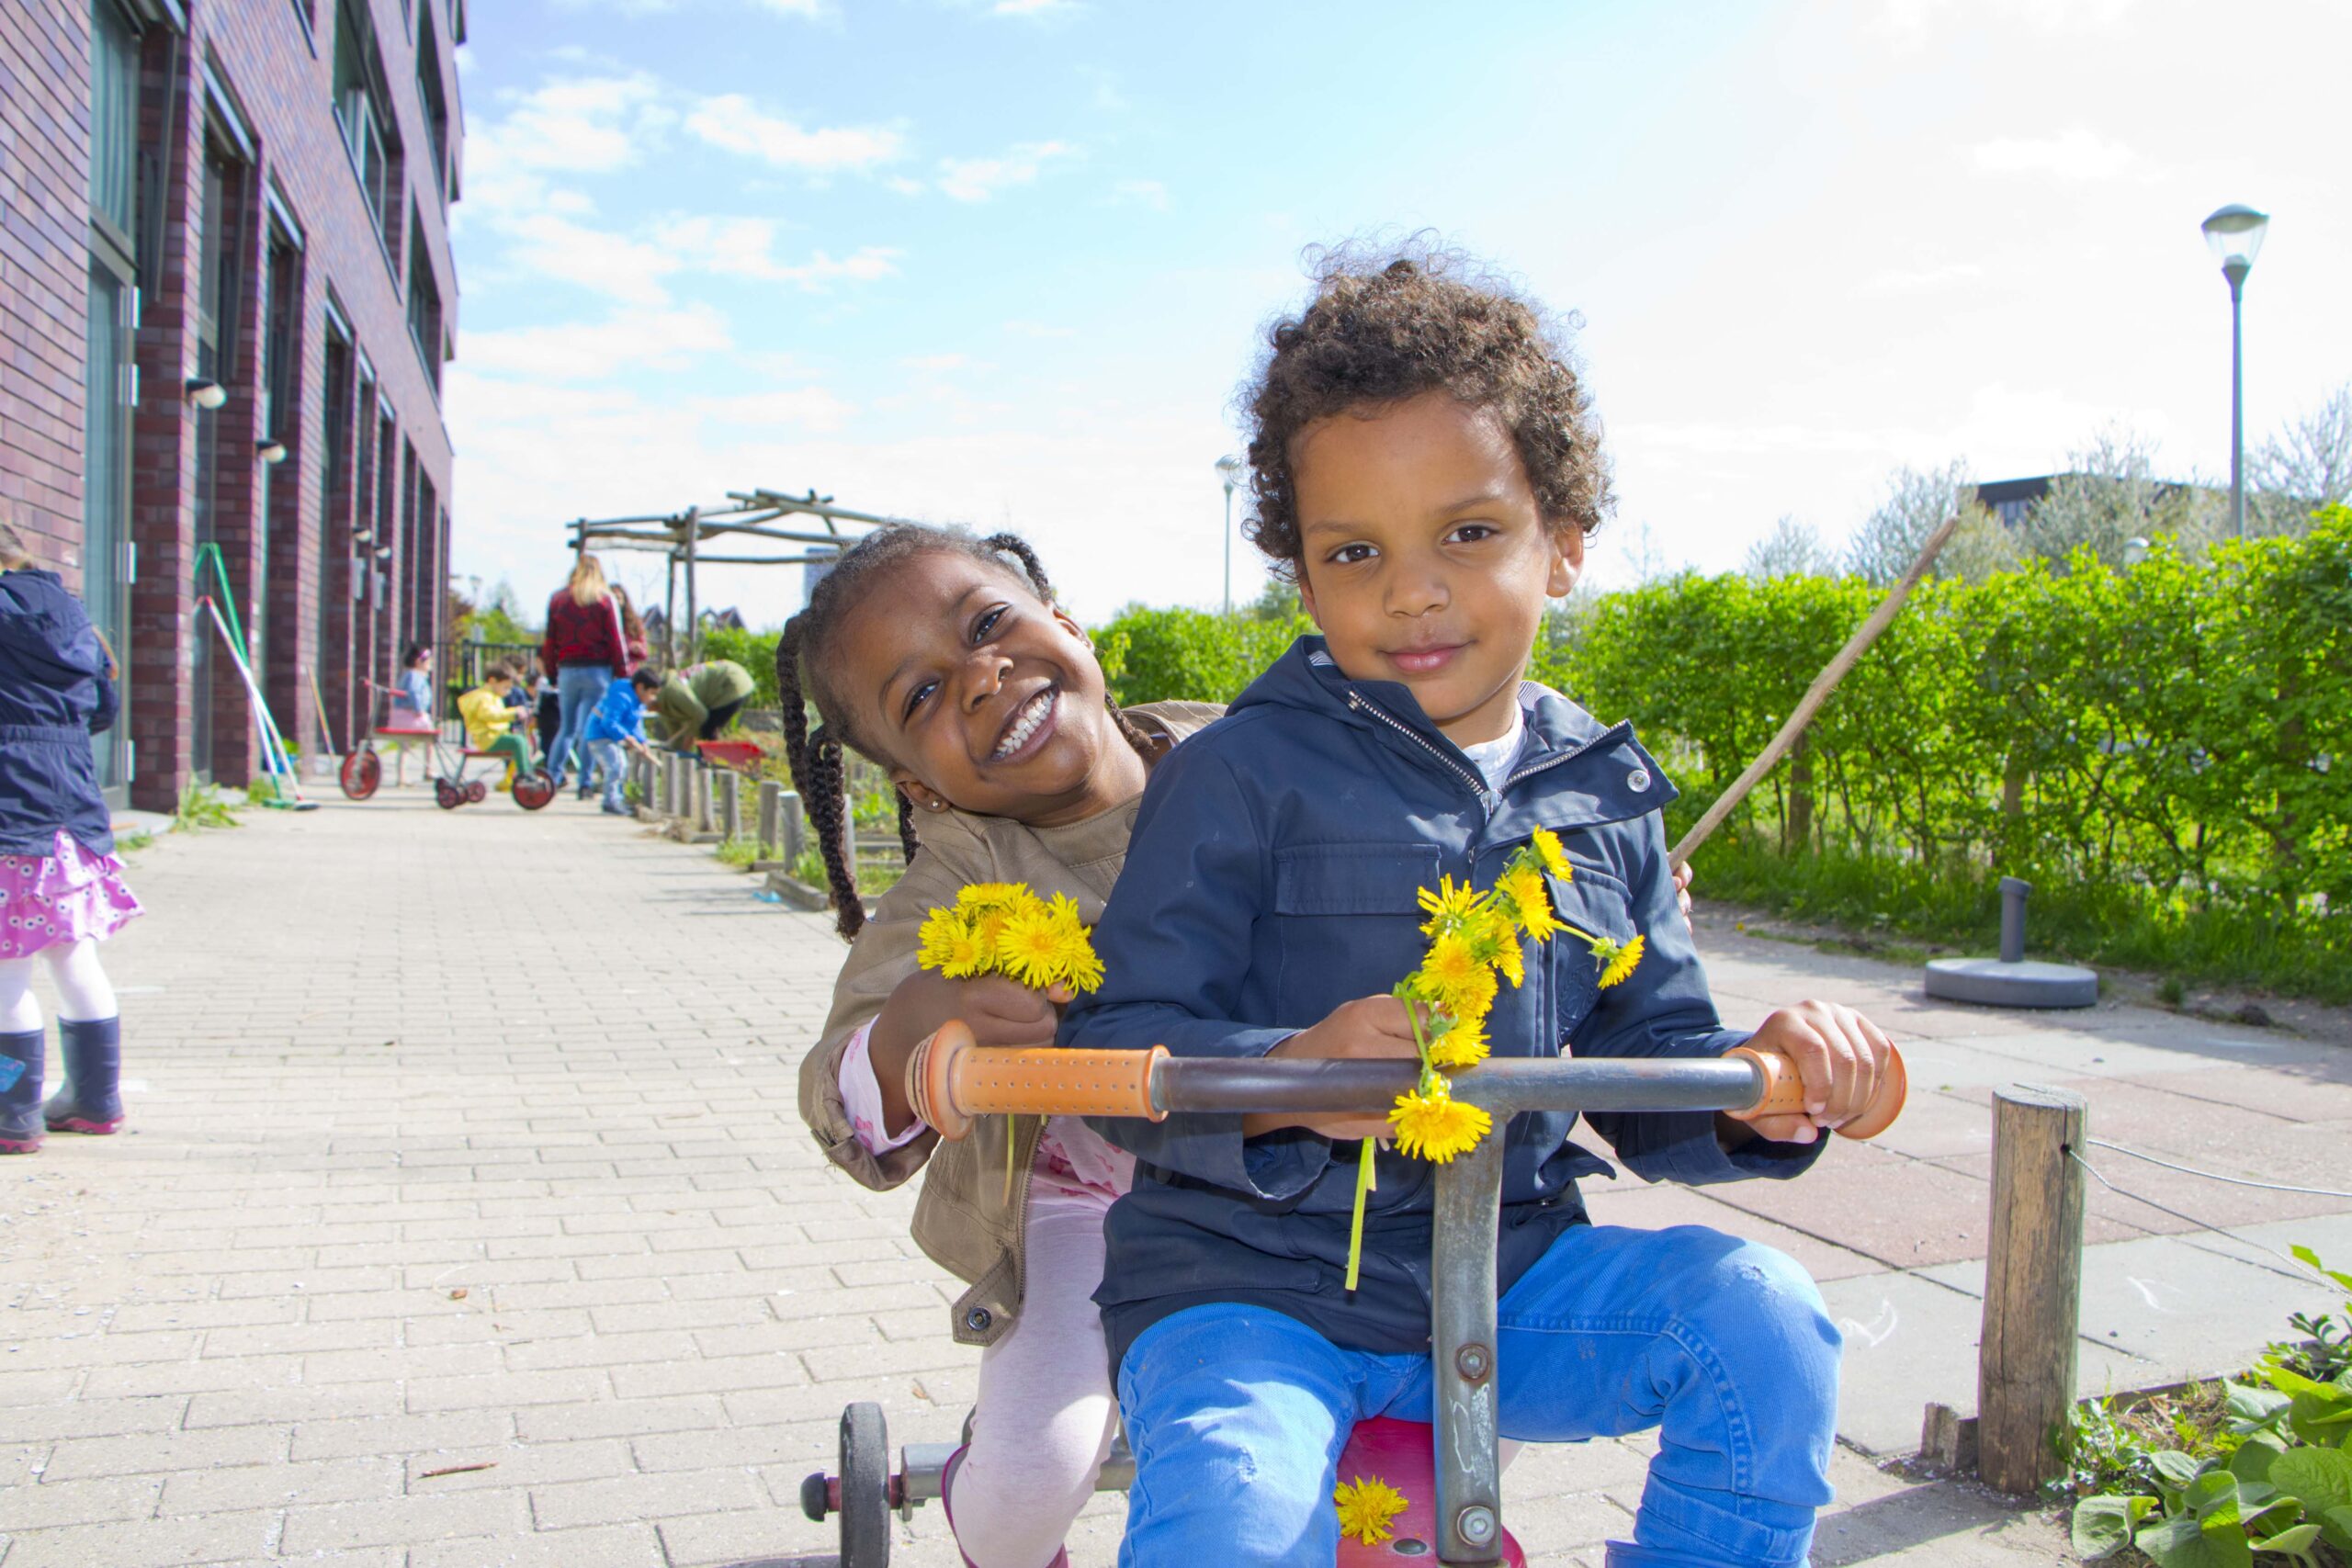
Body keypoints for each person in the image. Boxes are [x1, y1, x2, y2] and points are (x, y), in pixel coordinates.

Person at [1060, 249, 1895, 1568]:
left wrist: (1758, 1090)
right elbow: (1109, 1056)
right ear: (1305, 574)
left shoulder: (1607, 793)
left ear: (1562, 544)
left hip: (1509, 1282)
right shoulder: (1235, 774)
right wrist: (1285, 1073)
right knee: (1240, 1513)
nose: (1412, 587)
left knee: (1758, 1319)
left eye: (1468, 531)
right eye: (1354, 550)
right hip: (1244, 1289)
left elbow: (1652, 1068)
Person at [786, 525, 1222, 1568]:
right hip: (1089, 1191)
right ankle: (994, 1521)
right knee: (1035, 1473)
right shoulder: (964, 872)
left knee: (1464, 1387)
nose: (980, 677)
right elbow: (834, 1080)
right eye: (920, 698)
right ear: (920, 785)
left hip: (1299, 1164)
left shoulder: (1248, 758)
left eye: (990, 624)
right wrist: (909, 1034)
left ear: (1064, 622)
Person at [0, 518, 142, 1154]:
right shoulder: (72, 616)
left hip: (11, 818)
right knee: (71, 955)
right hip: (72, 823)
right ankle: (94, 1099)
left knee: (5, 974)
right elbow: (103, 710)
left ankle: (12, 1111)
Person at [539, 553, 630, 790]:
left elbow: (549, 641)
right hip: (598, 670)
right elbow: (615, 638)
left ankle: (553, 775)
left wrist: (551, 673)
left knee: (566, 728)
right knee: (588, 729)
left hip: (568, 670)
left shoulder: (558, 599)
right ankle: (585, 782)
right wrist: (623, 672)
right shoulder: (603, 600)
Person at [582, 666, 661, 815]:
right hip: (599, 735)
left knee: (621, 766)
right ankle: (610, 802)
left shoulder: (637, 700)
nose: (653, 698)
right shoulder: (621, 696)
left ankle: (617, 799)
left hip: (611, 737)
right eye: (651, 693)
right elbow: (609, 722)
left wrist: (642, 742)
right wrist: (627, 737)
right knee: (616, 766)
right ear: (640, 687)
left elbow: (636, 723)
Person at [644, 659, 755, 752]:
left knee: (707, 730)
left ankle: (712, 769)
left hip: (732, 682)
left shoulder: (674, 691)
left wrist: (688, 741)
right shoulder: (663, 706)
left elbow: (701, 715)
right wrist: (675, 754)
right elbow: (675, 734)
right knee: (705, 734)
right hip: (727, 680)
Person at [458, 661, 536, 791]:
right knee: (518, 741)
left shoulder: (493, 696)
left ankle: (526, 771)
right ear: (493, 681)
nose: (508, 692)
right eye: (506, 687)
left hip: (495, 736)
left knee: (521, 740)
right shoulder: (483, 698)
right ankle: (523, 775)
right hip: (488, 739)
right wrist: (513, 713)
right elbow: (490, 715)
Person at [387, 642, 436, 730]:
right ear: (418, 662)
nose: (431, 662)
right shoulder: (415, 675)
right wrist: (419, 710)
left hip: (401, 718)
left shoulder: (410, 675)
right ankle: (430, 744)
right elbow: (413, 691)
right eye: (428, 660)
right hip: (410, 717)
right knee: (429, 729)